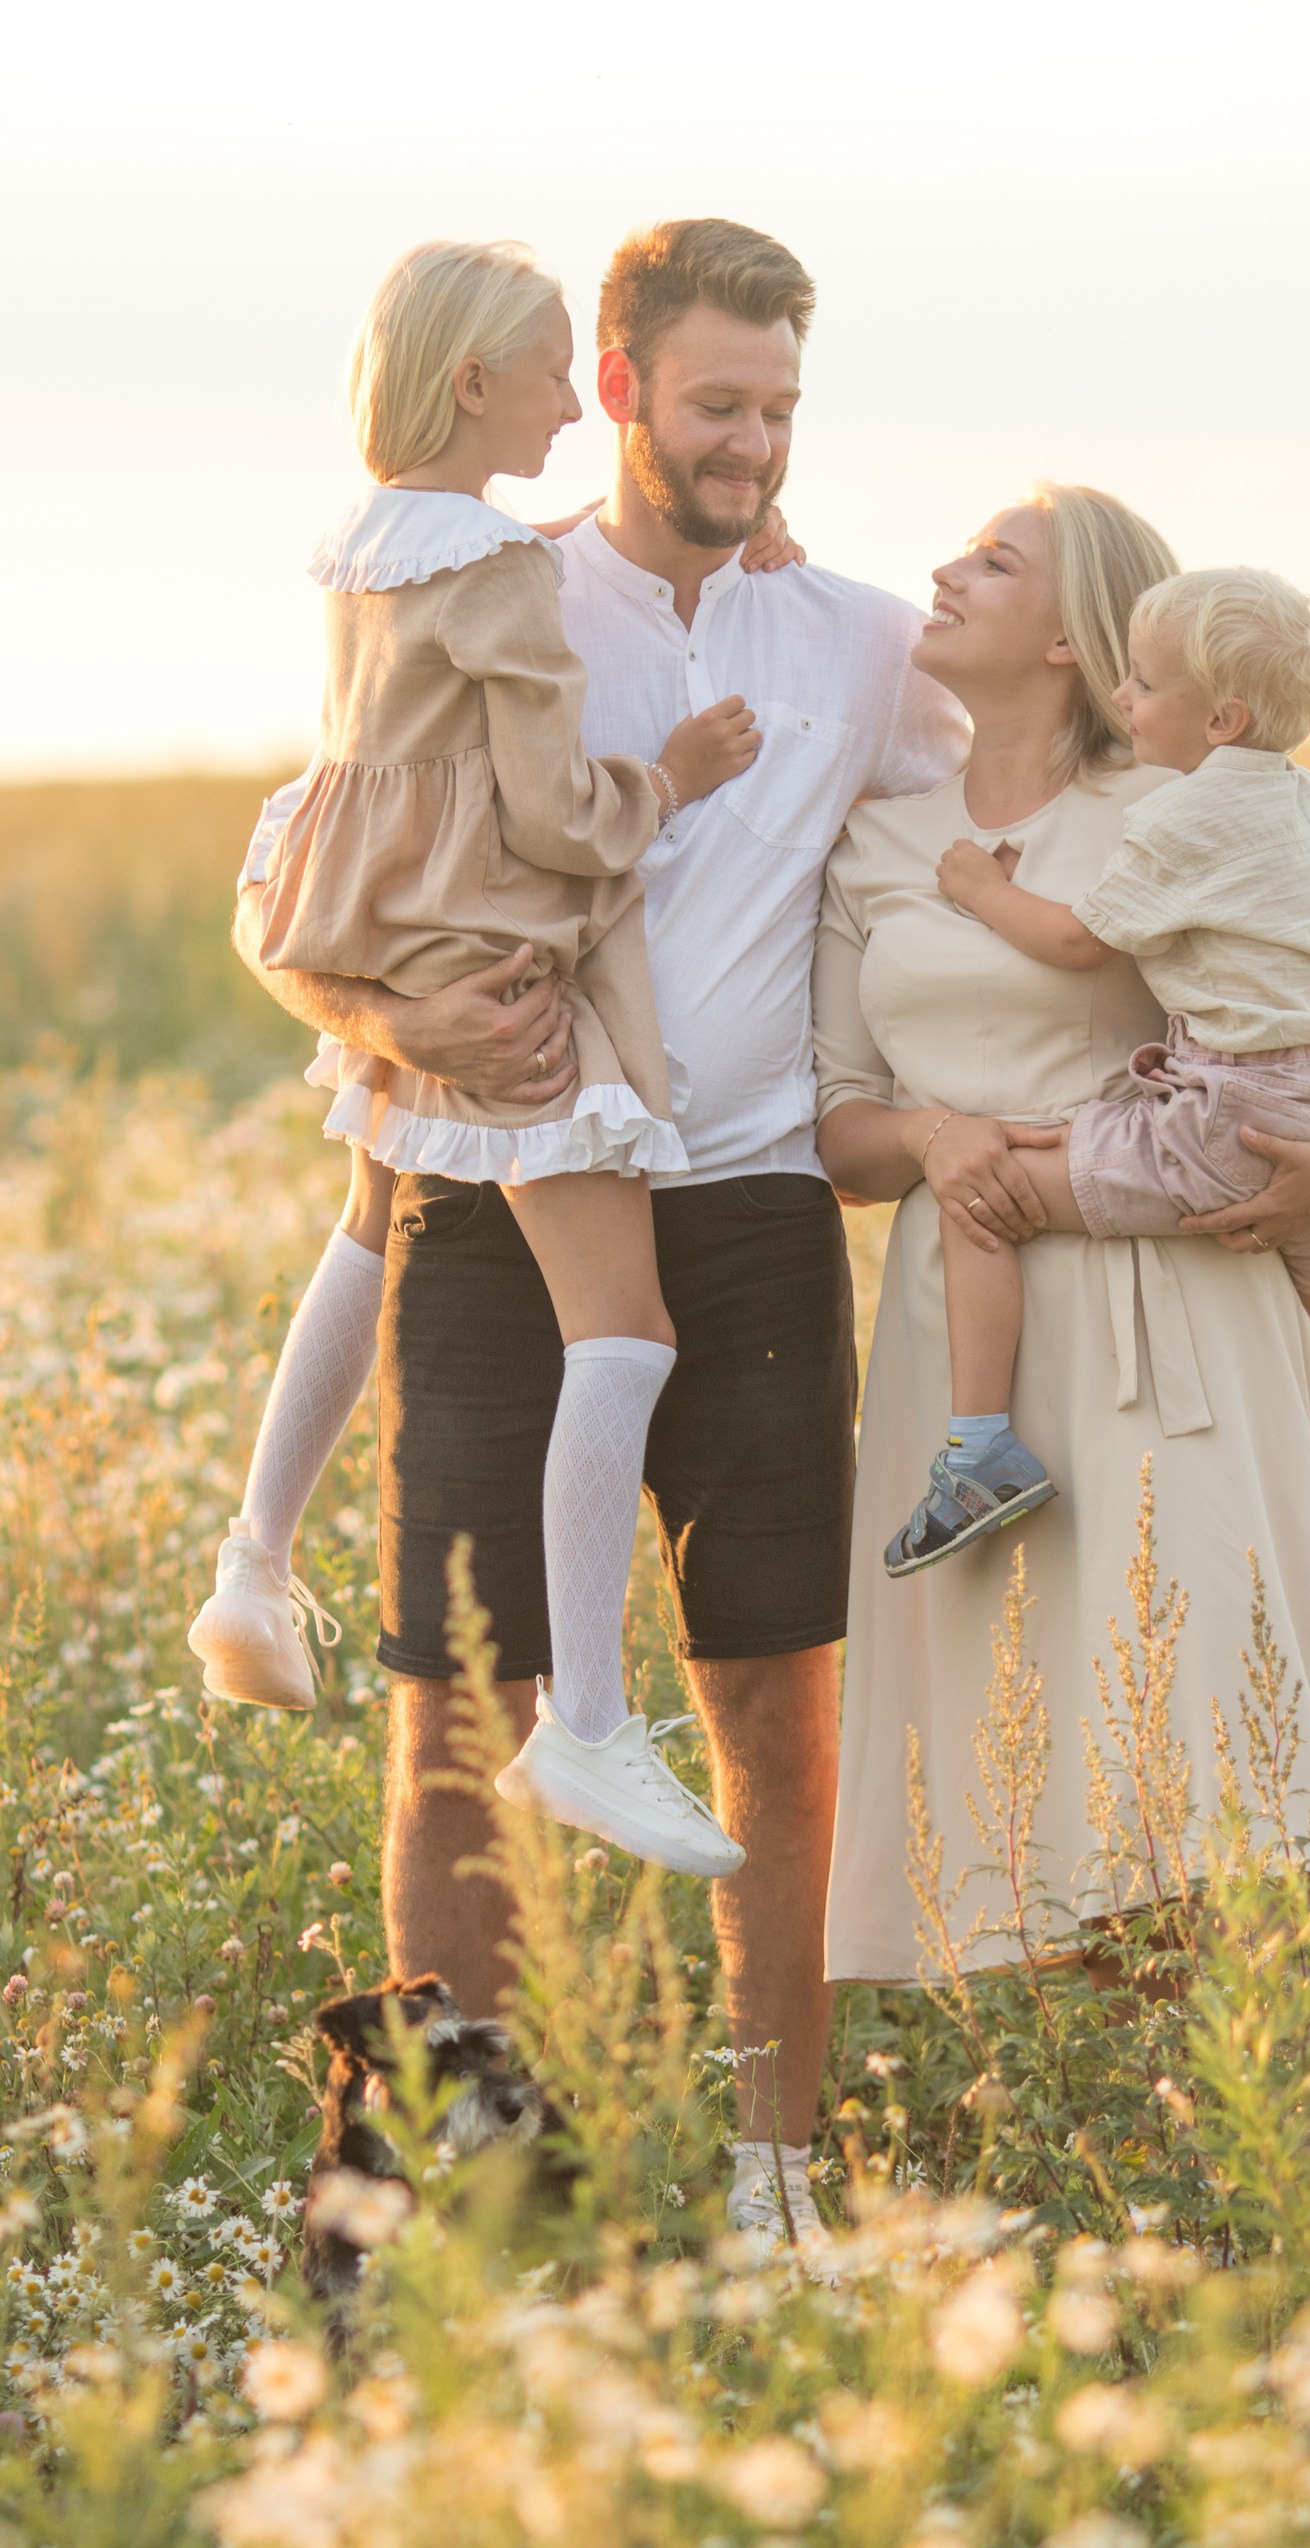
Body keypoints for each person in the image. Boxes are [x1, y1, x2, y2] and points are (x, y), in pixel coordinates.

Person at [231, 218, 969, 2253]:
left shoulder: (860, 643)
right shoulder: (480, 569)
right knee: (454, 1711)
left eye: (781, 410)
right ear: (618, 388)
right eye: (716, 401)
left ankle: (775, 2186)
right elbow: (294, 861)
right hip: (488, 1196)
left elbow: (1033, 808)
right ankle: (456, 2209)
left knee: (775, 1707)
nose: (750, 444)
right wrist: (373, 1013)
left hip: (749, 1215)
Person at [813, 488, 1310, 1987]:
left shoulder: (1188, 802)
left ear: (1067, 637)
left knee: (1201, 1811)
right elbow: (840, 1126)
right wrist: (931, 1139)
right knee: (1014, 1787)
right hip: (967, 1347)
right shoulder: (874, 841)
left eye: (990, 561)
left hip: (1176, 1321)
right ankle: (1077, 2186)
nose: (941, 573)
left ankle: (1229, 2178)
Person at [197, 238, 760, 1882]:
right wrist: (670, 775)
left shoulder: (365, 551)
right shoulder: (498, 568)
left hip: (393, 942)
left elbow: (376, 776)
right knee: (626, 1329)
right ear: (470, 384)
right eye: (540, 376)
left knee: (368, 1233)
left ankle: (251, 1560)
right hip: (502, 966)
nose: (566, 412)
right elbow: (543, 808)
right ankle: (585, 1716)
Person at [890, 564, 1310, 1692]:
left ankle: (977, 1452)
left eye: (1141, 683)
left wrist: (983, 891)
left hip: (1222, 1122)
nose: (1123, 699)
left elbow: (1087, 940)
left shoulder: (1182, 815)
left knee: (988, 1190)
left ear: (1218, 717)